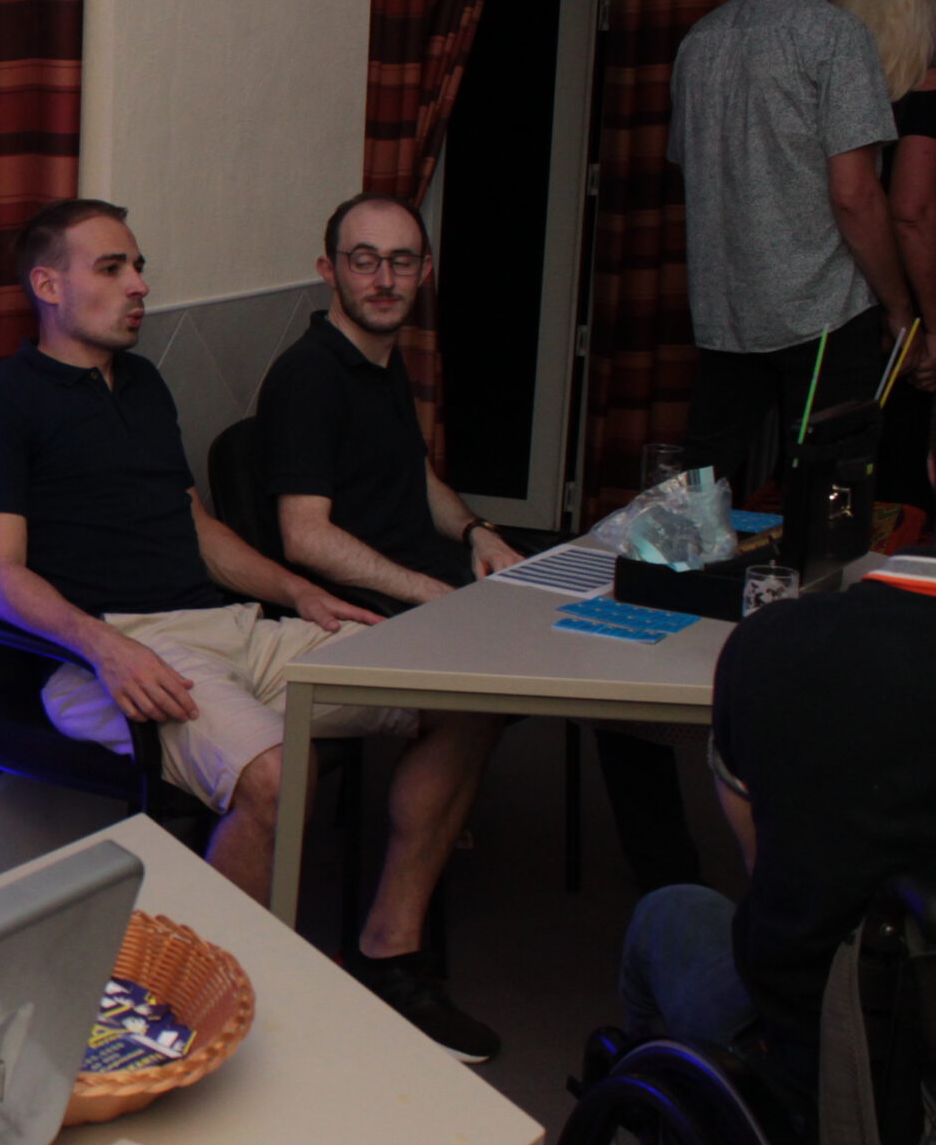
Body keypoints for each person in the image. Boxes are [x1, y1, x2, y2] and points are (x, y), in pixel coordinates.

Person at [0, 198, 506, 1061]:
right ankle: (188, 1015)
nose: (139, 285)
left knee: (462, 694)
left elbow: (196, 527)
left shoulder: (142, 384)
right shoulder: (0, 404)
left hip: (228, 627)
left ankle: (388, 952)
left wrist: (298, 592)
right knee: (278, 775)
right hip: (108, 652)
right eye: (112, 268)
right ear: (48, 285)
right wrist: (105, 645)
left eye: (138, 266)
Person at [257, 192, 701, 891]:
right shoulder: (309, 376)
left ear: (425, 271)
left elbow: (416, 474)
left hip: (433, 584)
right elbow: (304, 537)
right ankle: (670, 879)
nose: (384, 279)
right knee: (579, 668)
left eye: (401, 261)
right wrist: (438, 596)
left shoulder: (380, 358)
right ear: (328, 269)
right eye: (365, 261)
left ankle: (666, 873)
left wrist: (477, 531)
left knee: (612, 627)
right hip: (368, 611)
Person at [619, 376, 936, 1103]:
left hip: (817, 1064)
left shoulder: (771, 648)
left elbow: (765, 863)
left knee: (670, 912)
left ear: (932, 468)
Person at [667, 0, 913, 499]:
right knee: (825, 500)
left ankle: (678, 568)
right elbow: (855, 195)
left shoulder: (699, 43)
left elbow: (696, 171)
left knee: (702, 498)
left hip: (724, 310)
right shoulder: (835, 37)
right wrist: (897, 303)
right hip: (822, 311)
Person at [832, 0, 936, 521]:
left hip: (837, 298)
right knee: (903, 482)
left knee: (832, 470)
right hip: (907, 300)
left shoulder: (830, 82)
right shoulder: (927, 86)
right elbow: (915, 212)